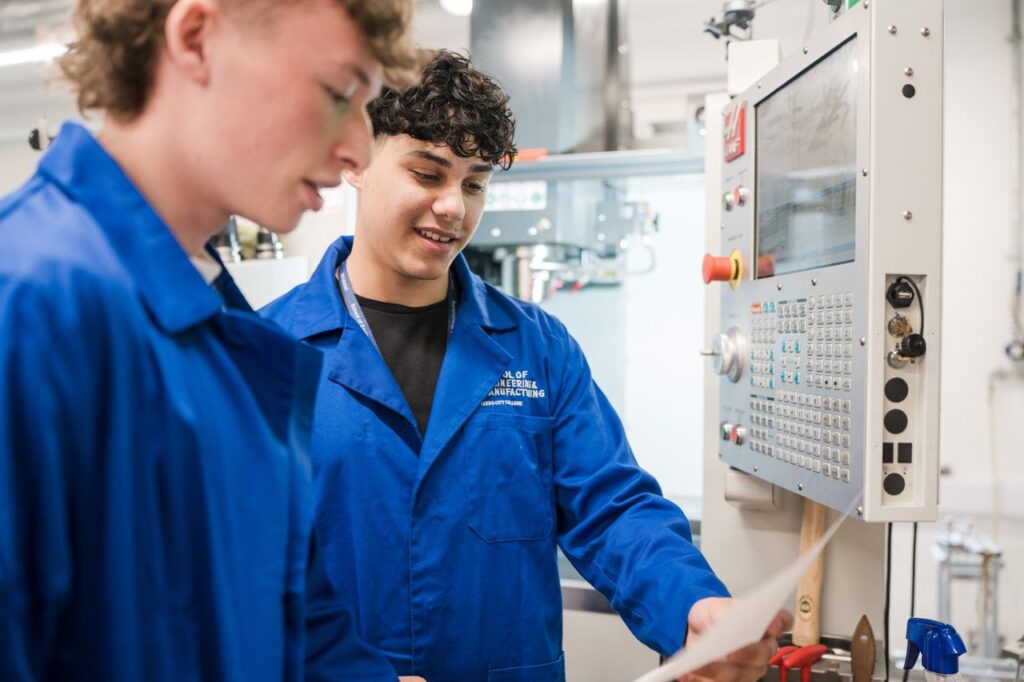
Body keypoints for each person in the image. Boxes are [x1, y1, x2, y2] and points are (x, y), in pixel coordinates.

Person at [263, 50, 792, 682]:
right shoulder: (266, 350)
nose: (454, 207)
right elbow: (232, 566)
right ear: (356, 159)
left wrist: (691, 605)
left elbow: (611, 505)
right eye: (428, 174)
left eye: (474, 182)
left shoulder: (536, 348)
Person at [0, 0, 421, 680]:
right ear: (197, 37)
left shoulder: (224, 340)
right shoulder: (31, 302)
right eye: (339, 93)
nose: (356, 151)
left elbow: (276, 620)